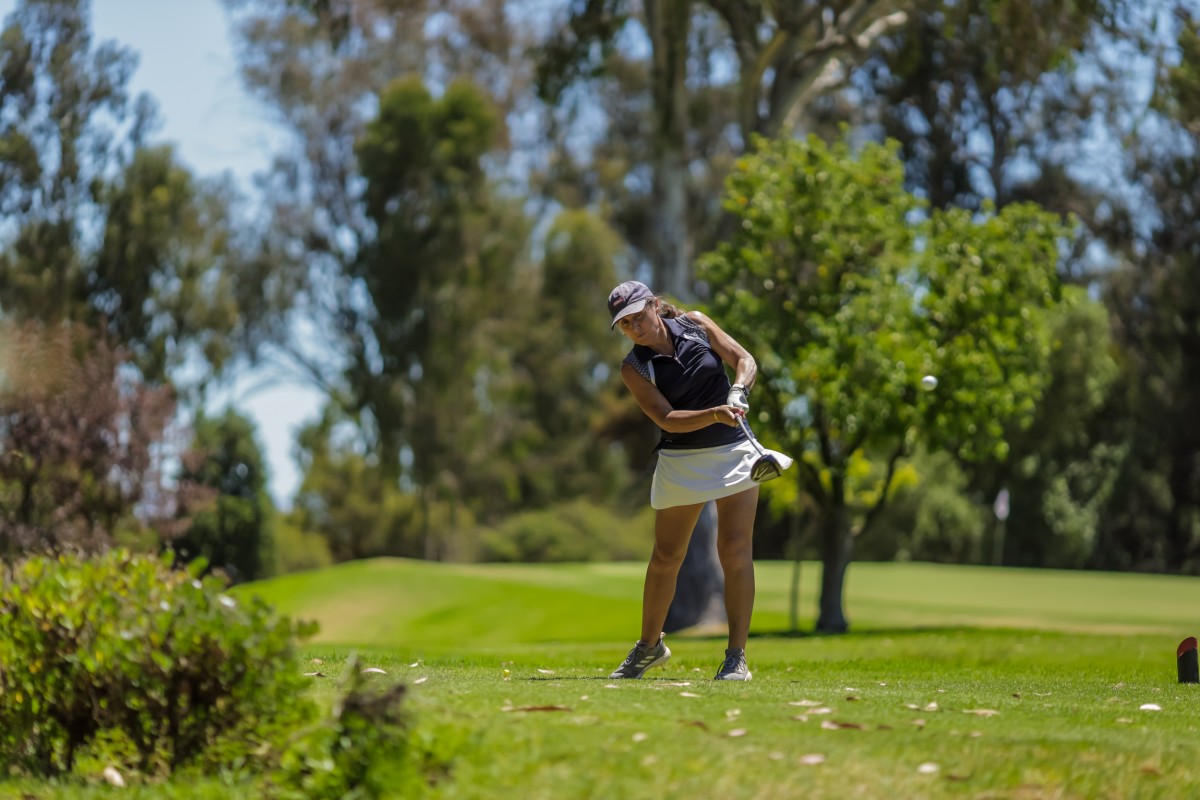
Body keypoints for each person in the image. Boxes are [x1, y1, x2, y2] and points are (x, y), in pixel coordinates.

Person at [605, 280, 792, 681]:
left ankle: (736, 658)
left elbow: (744, 359)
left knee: (735, 550)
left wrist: (739, 389)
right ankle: (649, 647)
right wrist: (715, 413)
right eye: (625, 324)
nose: (635, 327)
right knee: (666, 556)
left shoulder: (696, 324)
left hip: (734, 452)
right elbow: (666, 418)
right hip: (682, 460)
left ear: (654, 305)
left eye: (638, 316)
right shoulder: (634, 367)